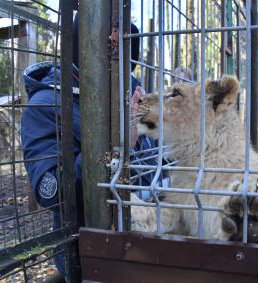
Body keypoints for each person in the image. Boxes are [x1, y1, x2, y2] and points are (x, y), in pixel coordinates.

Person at [21, 14, 157, 279]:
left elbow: (156, 167)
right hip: (90, 257)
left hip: (147, 243)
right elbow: (52, 193)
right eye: (109, 50)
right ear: (81, 48)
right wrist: (116, 145)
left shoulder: (134, 96)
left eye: (123, 52)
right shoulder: (45, 105)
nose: (116, 63)